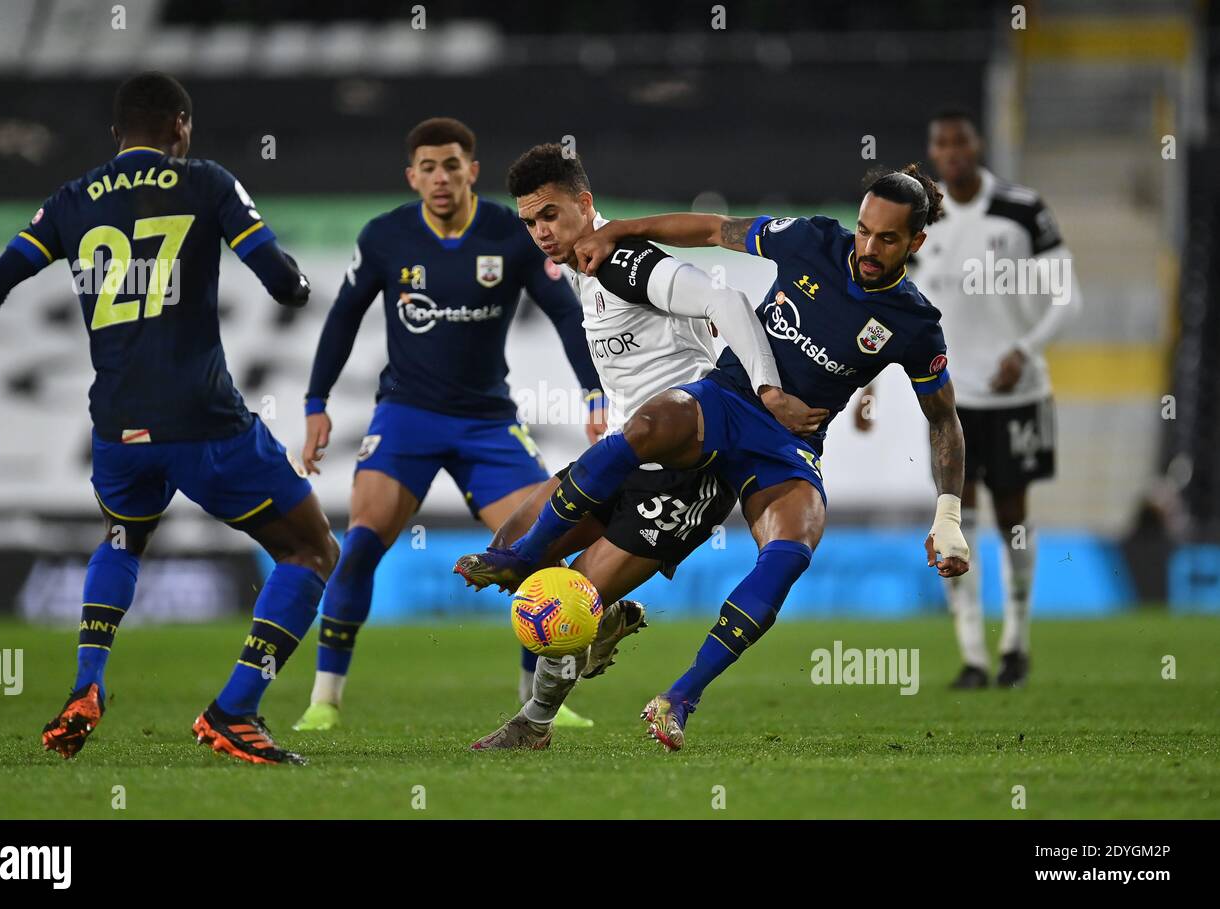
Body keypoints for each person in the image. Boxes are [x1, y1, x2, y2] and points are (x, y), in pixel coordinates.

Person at [457, 165, 971, 751]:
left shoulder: (914, 323)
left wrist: (948, 515)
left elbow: (943, 418)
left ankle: (672, 699)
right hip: (726, 400)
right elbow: (713, 228)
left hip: (787, 444)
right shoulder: (813, 240)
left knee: (793, 547)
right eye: (864, 231)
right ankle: (546, 582)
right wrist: (623, 227)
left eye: (887, 239)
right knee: (551, 530)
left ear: (916, 242)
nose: (868, 248)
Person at [0, 72, 338, 765]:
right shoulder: (205, 180)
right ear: (180, 126)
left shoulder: (71, 198)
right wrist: (294, 284)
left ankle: (88, 684)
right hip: (204, 422)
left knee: (121, 538)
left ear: (118, 134)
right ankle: (234, 709)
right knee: (313, 550)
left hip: (117, 427)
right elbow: (278, 278)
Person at [460, 143, 781, 749]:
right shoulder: (584, 269)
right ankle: (595, 629)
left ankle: (534, 724)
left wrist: (764, 389)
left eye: (550, 215)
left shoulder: (622, 260)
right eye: (529, 222)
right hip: (621, 453)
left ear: (585, 204)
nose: (540, 232)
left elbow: (726, 299)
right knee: (511, 553)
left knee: (564, 600)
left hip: (681, 471)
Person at [293, 119, 604, 732]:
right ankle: (323, 701)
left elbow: (567, 314)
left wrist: (594, 392)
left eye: (452, 165)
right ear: (412, 176)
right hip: (405, 416)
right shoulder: (384, 237)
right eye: (428, 167)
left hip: (488, 421)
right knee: (357, 547)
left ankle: (541, 701)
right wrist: (314, 403)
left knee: (536, 552)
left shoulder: (509, 235)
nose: (441, 177)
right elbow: (342, 318)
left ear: (472, 171)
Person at [856, 111, 1080, 688]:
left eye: (960, 140)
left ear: (977, 144)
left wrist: (1025, 352)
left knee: (1013, 521)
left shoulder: (1023, 210)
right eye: (940, 143)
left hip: (1018, 394)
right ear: (933, 151)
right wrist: (868, 384)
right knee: (959, 521)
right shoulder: (917, 223)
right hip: (950, 402)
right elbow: (891, 307)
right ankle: (975, 657)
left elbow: (1066, 297)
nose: (951, 151)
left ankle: (1017, 643)